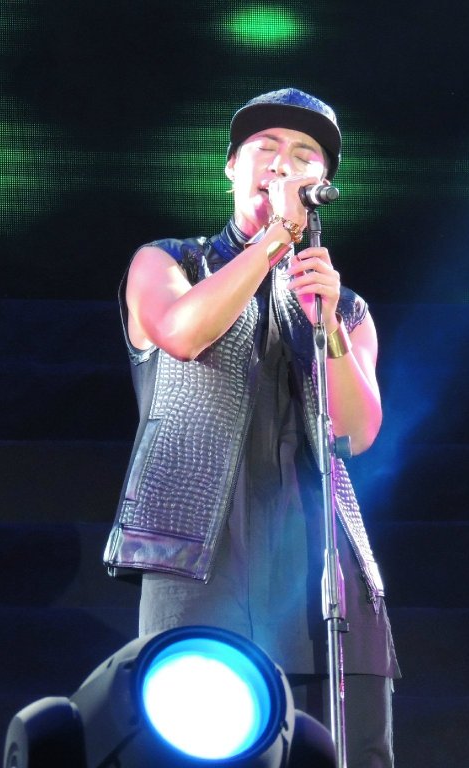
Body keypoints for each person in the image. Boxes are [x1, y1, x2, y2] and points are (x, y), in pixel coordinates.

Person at [103, 87, 399, 766]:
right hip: (199, 564)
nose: (284, 163)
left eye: (305, 154)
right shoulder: (168, 263)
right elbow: (183, 333)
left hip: (322, 572)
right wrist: (273, 242)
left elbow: (355, 432)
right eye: (266, 148)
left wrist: (327, 325)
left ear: (323, 186)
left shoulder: (344, 305)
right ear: (232, 167)